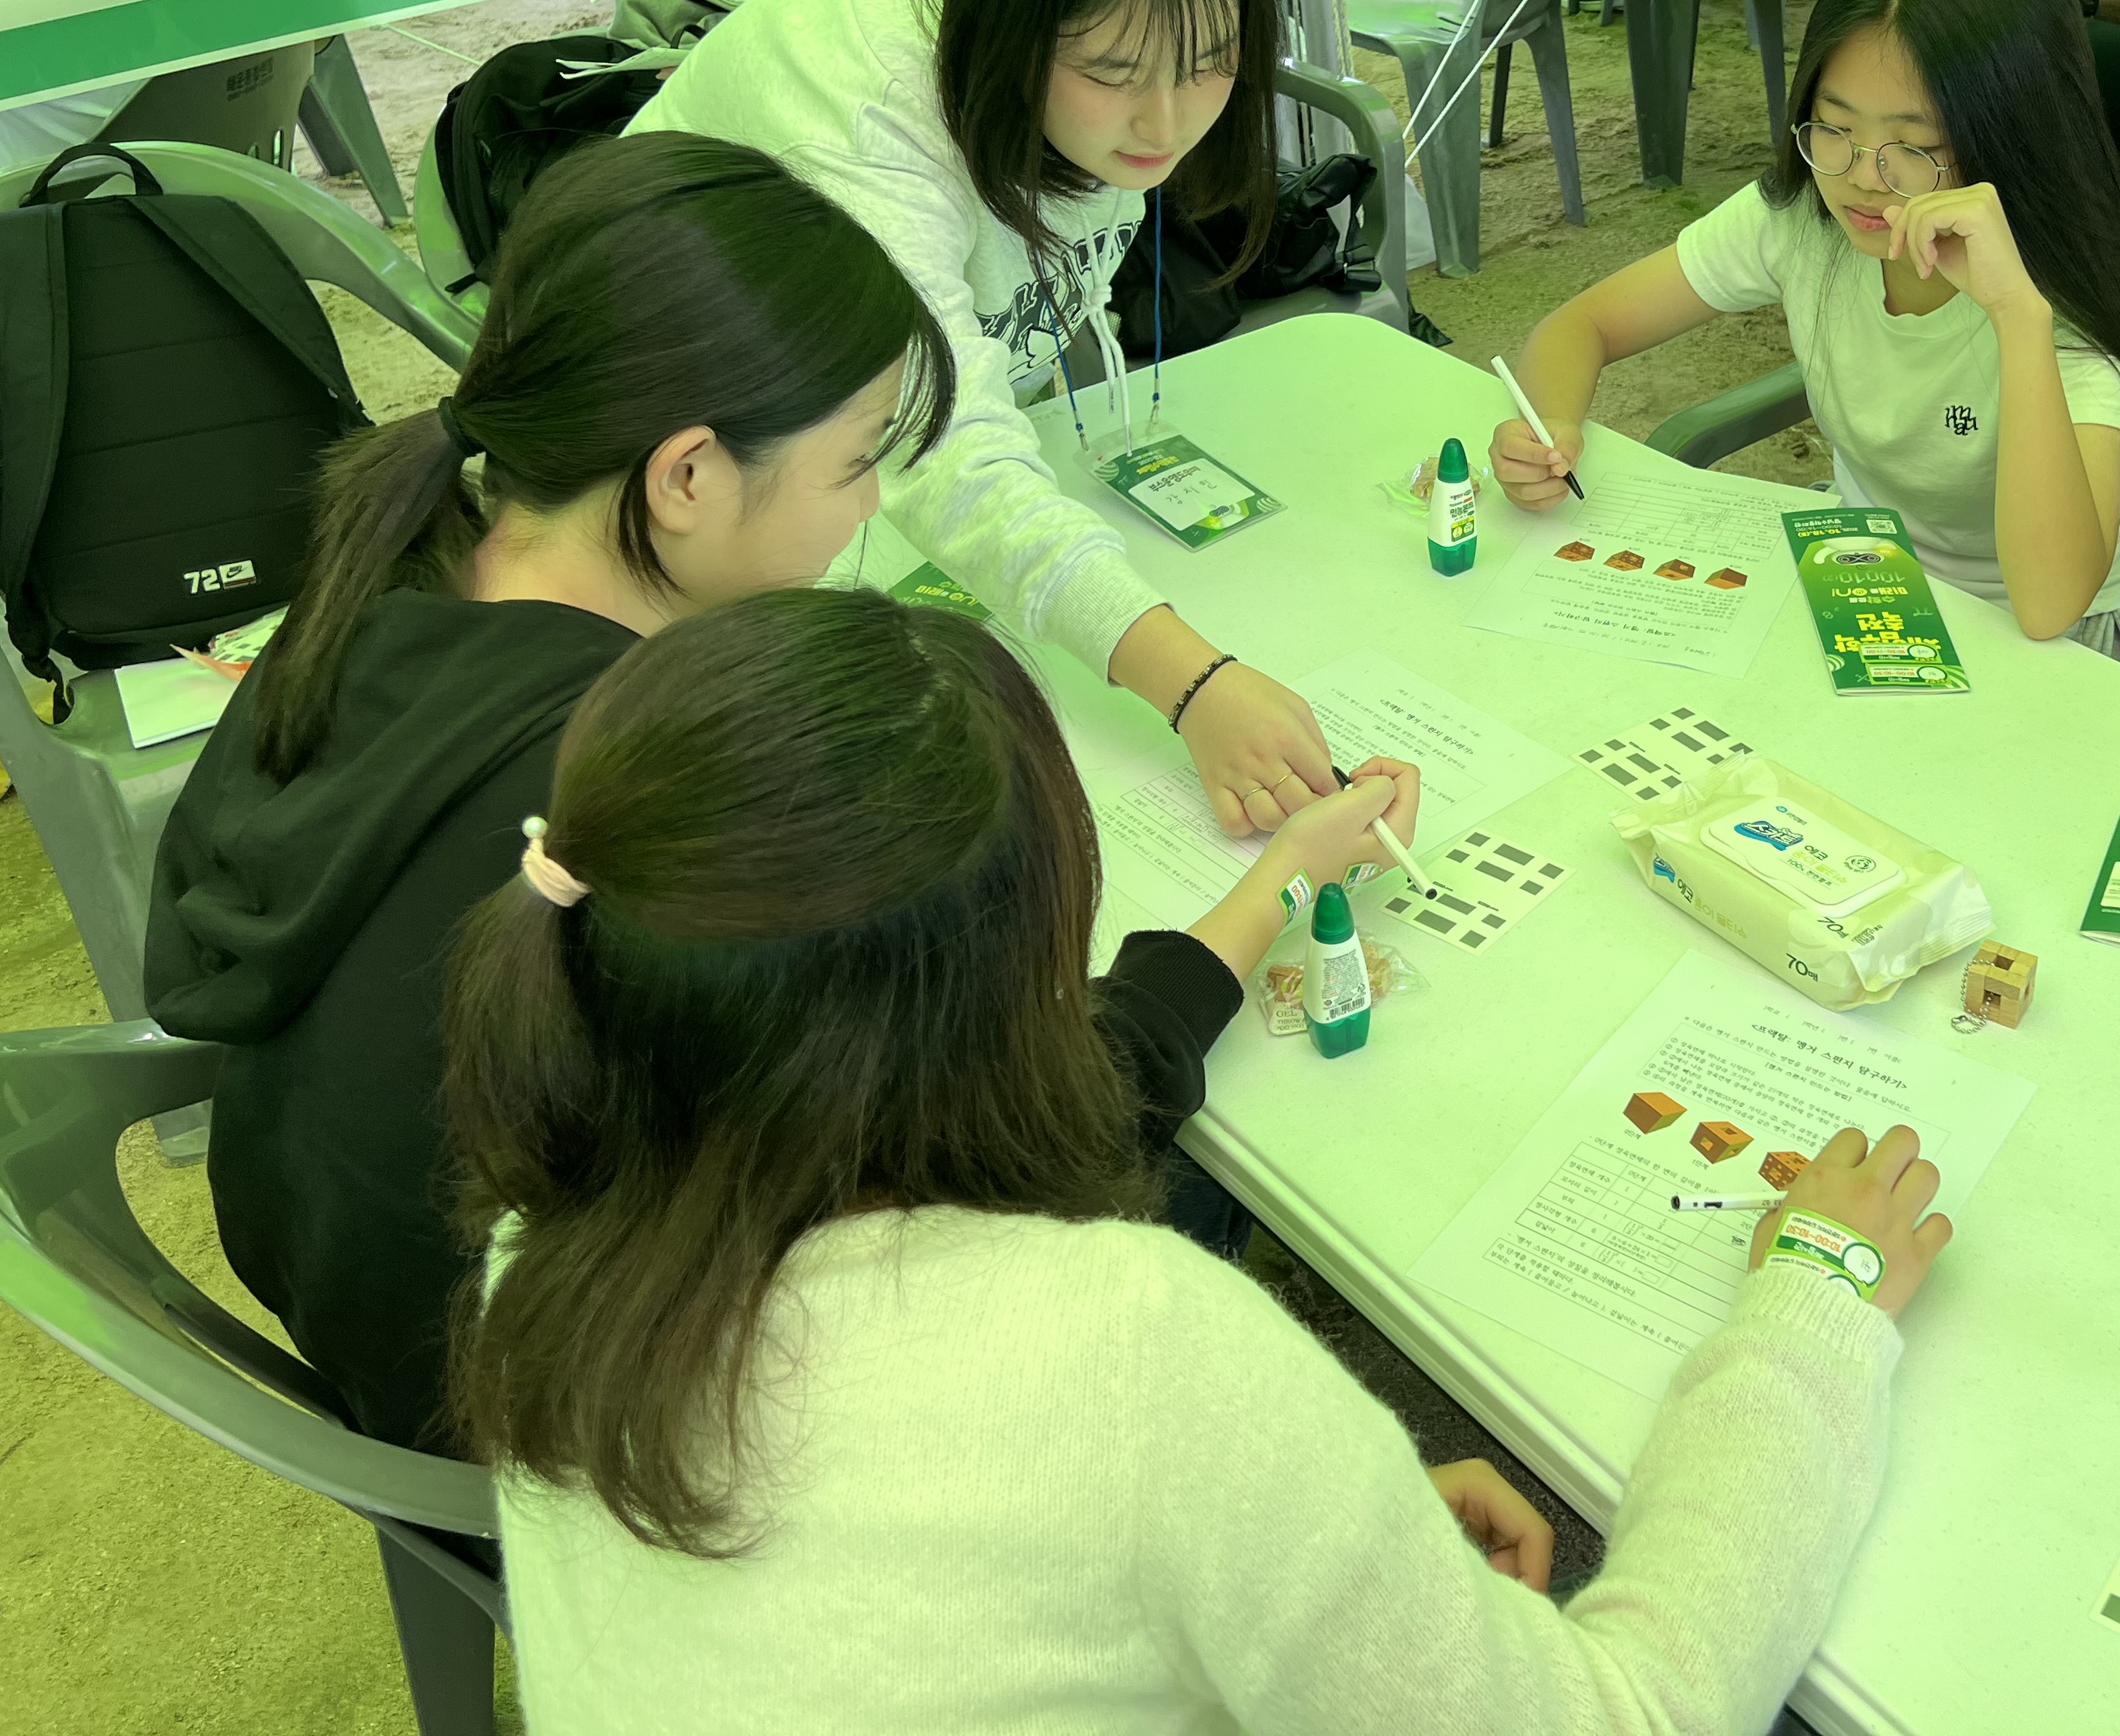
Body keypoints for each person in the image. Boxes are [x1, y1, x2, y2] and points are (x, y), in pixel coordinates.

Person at [450, 587, 1952, 1734]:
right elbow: (1640, 1713)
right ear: (1012, 982)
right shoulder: (1134, 1347)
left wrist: (1283, 880)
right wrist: (1814, 1309)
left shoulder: (560, 1224)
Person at [142, 132, 952, 1455]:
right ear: (687, 475)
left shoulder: (397, 566)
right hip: (537, 1412)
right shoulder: (641, 779)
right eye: (857, 462)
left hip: (343, 1280)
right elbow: (878, 1139)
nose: (869, 505)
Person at [631, 0, 1340, 834]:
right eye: (1111, 72)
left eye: (1212, 62)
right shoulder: (862, 134)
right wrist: (1188, 683)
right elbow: (939, 444)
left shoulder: (1079, 54)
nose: (1166, 119)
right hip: (687, 473)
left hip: (833, 457)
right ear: (1012, 30)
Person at [1493, 0, 2120, 651]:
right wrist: (1550, 430)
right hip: (1863, 567)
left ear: (2010, 136)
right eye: (1836, 127)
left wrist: (2019, 317)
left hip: (2030, 640)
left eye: (1914, 147)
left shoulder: (2065, 305)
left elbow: (2049, 607)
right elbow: (1579, 326)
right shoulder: (1801, 218)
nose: (1862, 180)